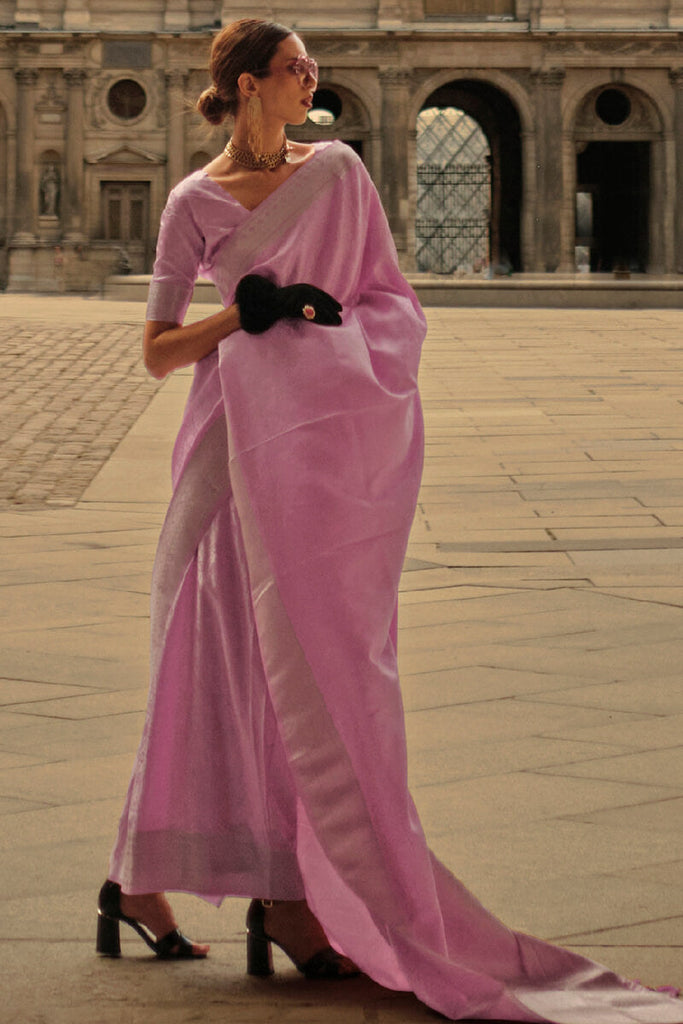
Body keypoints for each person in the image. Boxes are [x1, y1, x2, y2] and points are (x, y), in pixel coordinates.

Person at [98, 17, 683, 1022]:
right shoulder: (192, 201)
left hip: (312, 457)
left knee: (318, 671)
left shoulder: (339, 176)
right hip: (224, 461)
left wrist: (323, 325)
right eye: (291, 69)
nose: (308, 79)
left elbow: (390, 306)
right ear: (244, 86)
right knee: (210, 668)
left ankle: (277, 894)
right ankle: (163, 881)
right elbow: (157, 349)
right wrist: (247, 311)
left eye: (311, 68)